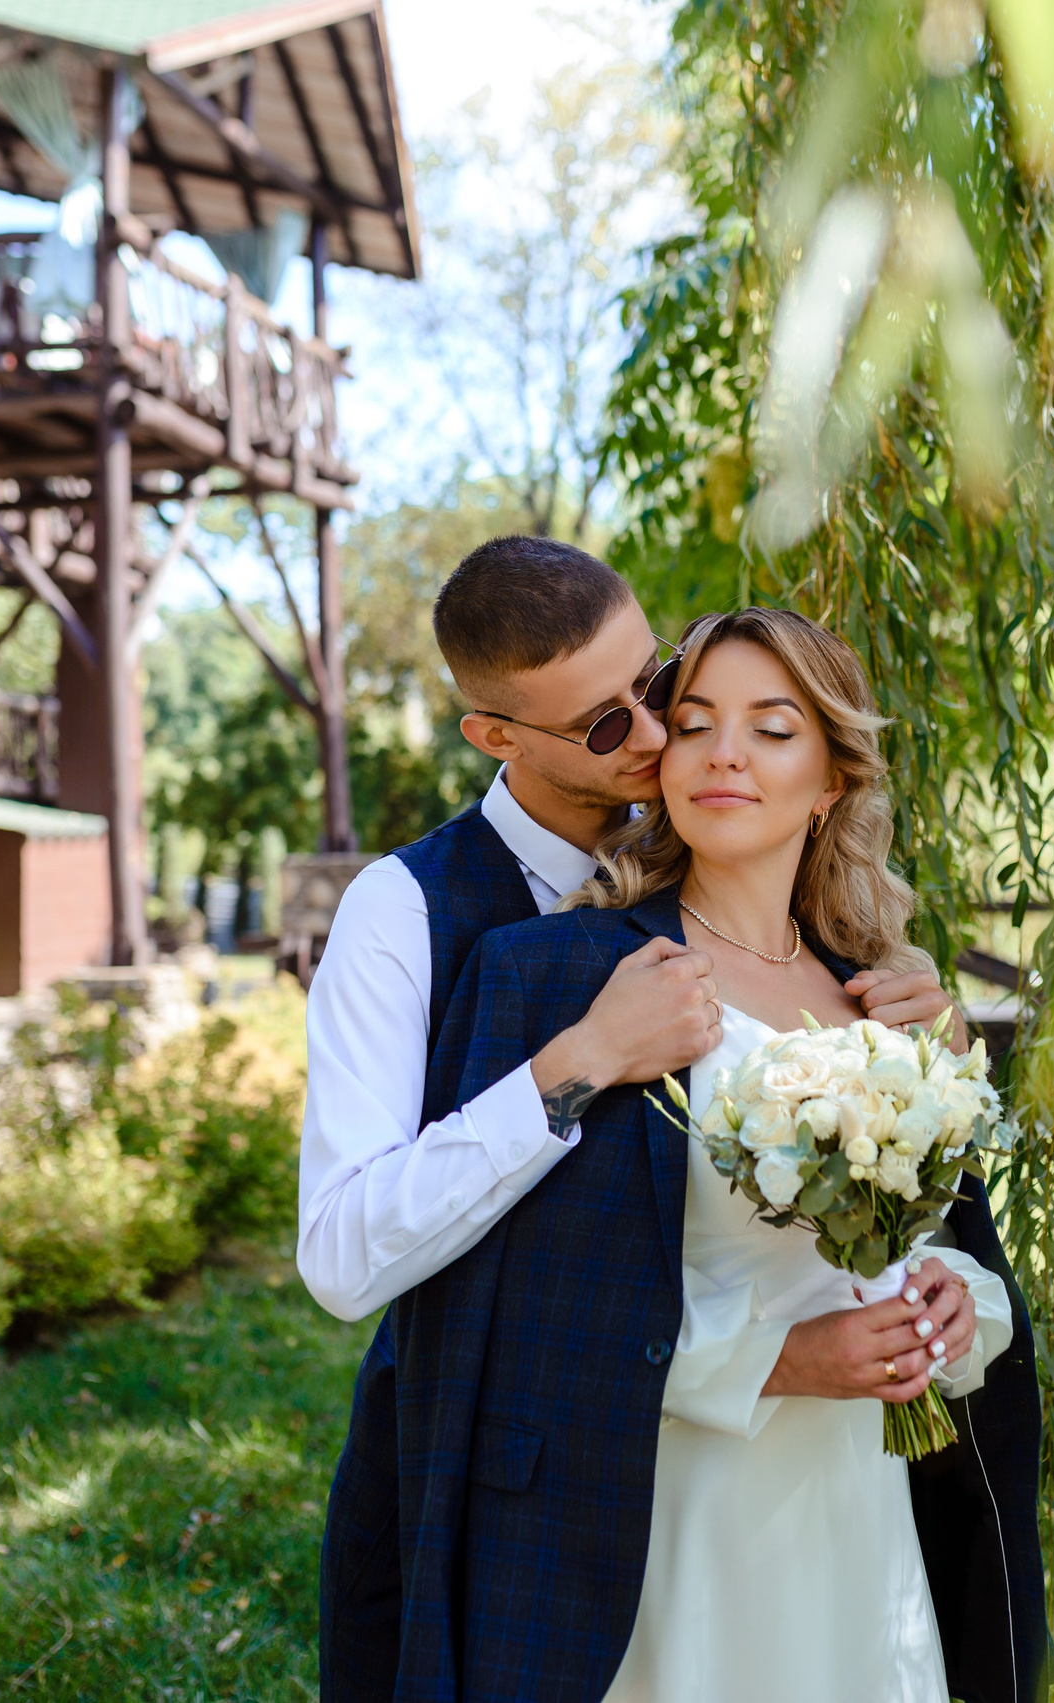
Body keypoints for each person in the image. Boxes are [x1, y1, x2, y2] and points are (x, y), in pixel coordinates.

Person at [299, 543, 966, 1700]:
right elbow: (344, 1252)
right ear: (497, 736)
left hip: (801, 1499)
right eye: (608, 725)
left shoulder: (782, 902)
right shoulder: (406, 911)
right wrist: (582, 1060)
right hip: (486, 1469)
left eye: (658, 685)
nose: (661, 737)